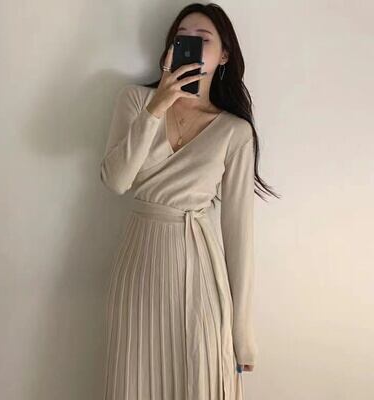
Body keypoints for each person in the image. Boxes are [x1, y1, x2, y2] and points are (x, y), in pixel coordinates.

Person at [100, 3, 279, 399]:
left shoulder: (235, 132)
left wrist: (242, 331)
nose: (191, 45)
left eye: (203, 40)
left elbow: (238, 235)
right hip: (140, 265)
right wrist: (156, 108)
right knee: (136, 379)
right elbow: (116, 181)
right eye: (182, 38)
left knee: (199, 379)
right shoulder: (135, 101)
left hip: (199, 269)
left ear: (224, 55)